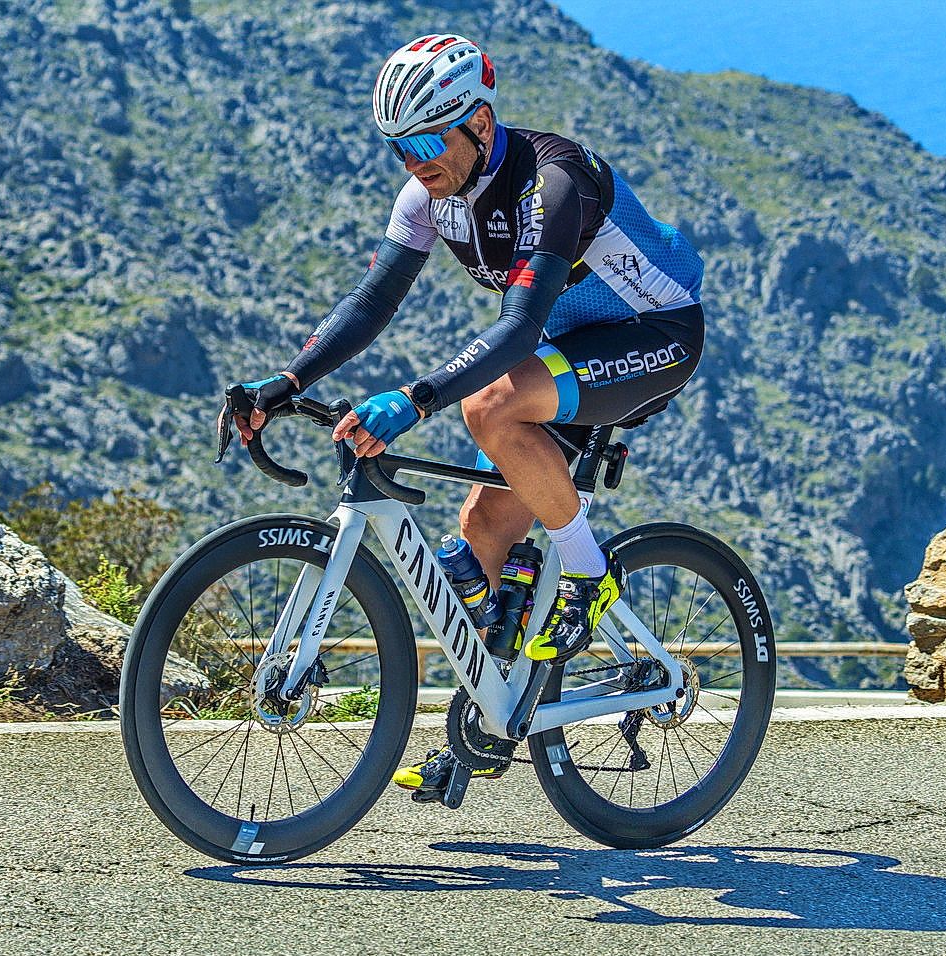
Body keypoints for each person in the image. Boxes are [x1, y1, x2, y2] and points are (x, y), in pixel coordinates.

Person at [224, 33, 705, 800]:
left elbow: (516, 329)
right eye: (397, 148)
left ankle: (589, 577)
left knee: (492, 407)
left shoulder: (553, 180)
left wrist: (414, 399)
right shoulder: (428, 197)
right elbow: (372, 301)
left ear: (479, 123)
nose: (412, 162)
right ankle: (486, 727)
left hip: (654, 335)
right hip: (566, 348)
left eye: (424, 142)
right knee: (480, 533)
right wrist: (286, 381)